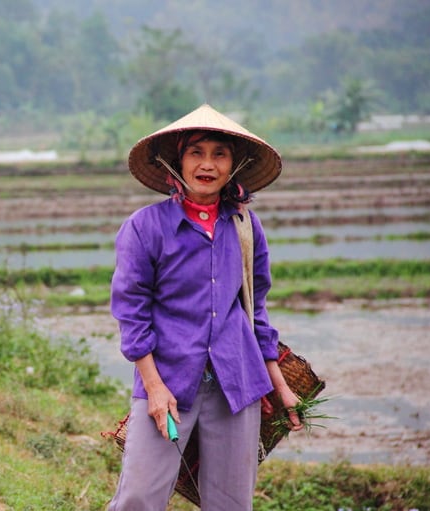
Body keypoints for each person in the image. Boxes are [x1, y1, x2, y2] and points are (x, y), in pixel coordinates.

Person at [108, 104, 303, 510]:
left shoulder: (246, 226)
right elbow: (132, 313)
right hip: (168, 381)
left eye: (219, 153)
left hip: (238, 382)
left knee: (231, 503)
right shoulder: (146, 227)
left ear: (235, 164)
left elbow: (256, 310)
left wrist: (281, 386)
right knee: (140, 497)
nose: (207, 164)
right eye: (196, 152)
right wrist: (155, 389)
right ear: (177, 160)